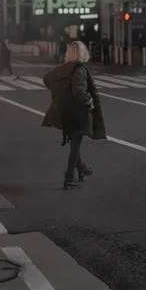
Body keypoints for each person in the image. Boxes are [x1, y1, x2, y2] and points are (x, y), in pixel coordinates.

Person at [42, 41, 106, 190]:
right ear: (83, 53)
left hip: (64, 112)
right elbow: (79, 92)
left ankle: (82, 169)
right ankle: (69, 178)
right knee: (75, 146)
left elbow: (46, 79)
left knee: (74, 143)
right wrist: (89, 100)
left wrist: (59, 92)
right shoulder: (79, 69)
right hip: (77, 113)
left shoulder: (63, 68)